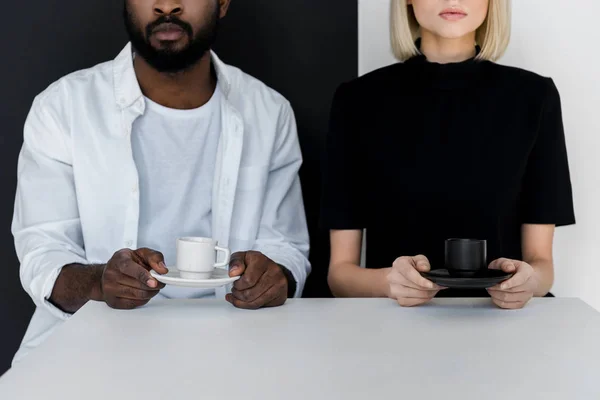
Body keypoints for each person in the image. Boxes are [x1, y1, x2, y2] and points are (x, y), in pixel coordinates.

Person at [12, 0, 310, 362]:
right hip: (87, 352)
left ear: (223, 4)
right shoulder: (63, 107)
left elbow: (287, 248)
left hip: (234, 350)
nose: (166, 5)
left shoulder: (268, 111)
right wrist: (99, 282)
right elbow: (42, 253)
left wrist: (273, 275)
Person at [322, 0, 575, 309]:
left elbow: (542, 265)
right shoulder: (356, 100)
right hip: (396, 326)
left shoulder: (535, 97)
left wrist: (527, 282)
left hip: (506, 327)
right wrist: (389, 283)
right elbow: (340, 275)